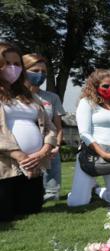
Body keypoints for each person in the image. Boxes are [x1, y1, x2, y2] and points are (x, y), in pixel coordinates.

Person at [0, 42, 56, 221]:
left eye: (17, 64)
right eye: (7, 63)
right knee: (6, 215)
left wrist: (44, 150)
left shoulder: (28, 95)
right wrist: (20, 156)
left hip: (34, 167)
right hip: (6, 167)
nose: (13, 68)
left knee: (31, 213)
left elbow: (49, 127)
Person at [67, 69, 110, 207]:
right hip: (91, 154)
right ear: (95, 86)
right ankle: (77, 193)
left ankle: (97, 190)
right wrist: (104, 154)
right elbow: (84, 133)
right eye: (106, 86)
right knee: (78, 203)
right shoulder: (87, 103)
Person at [22, 53, 65, 201]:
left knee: (51, 195)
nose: (40, 74)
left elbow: (58, 127)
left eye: (44, 72)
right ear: (23, 70)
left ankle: (51, 194)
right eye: (35, 71)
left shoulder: (52, 98)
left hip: (49, 150)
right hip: (24, 153)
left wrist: (56, 146)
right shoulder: (12, 96)